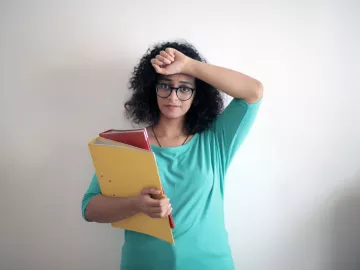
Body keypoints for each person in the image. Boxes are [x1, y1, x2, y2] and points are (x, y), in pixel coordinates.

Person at [81, 40, 263, 270]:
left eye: (184, 88)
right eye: (165, 86)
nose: (173, 97)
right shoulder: (126, 145)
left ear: (197, 95)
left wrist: (188, 65)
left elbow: (253, 92)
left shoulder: (216, 140)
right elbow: (89, 208)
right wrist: (136, 204)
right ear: (152, 89)